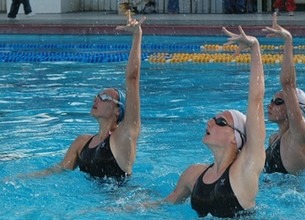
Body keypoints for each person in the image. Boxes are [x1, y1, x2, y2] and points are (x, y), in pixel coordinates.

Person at [160, 26, 266, 218]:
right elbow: (162, 205)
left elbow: (256, 100)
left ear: (236, 138)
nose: (210, 122)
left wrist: (255, 47)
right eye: (213, 119)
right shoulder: (193, 175)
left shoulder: (245, 170)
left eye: (220, 121)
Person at [26, 11, 145, 180]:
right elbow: (58, 171)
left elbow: (132, 79)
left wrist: (137, 35)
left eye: (104, 97)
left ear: (118, 111)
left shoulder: (125, 137)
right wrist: (19, 178)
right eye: (97, 95)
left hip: (118, 203)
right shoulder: (82, 143)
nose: (96, 99)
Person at [262, 13, 305, 175]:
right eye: (272, 100)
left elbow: (288, 84)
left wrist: (288, 40)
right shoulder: (274, 138)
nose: (269, 105)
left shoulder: (298, 136)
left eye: (278, 102)